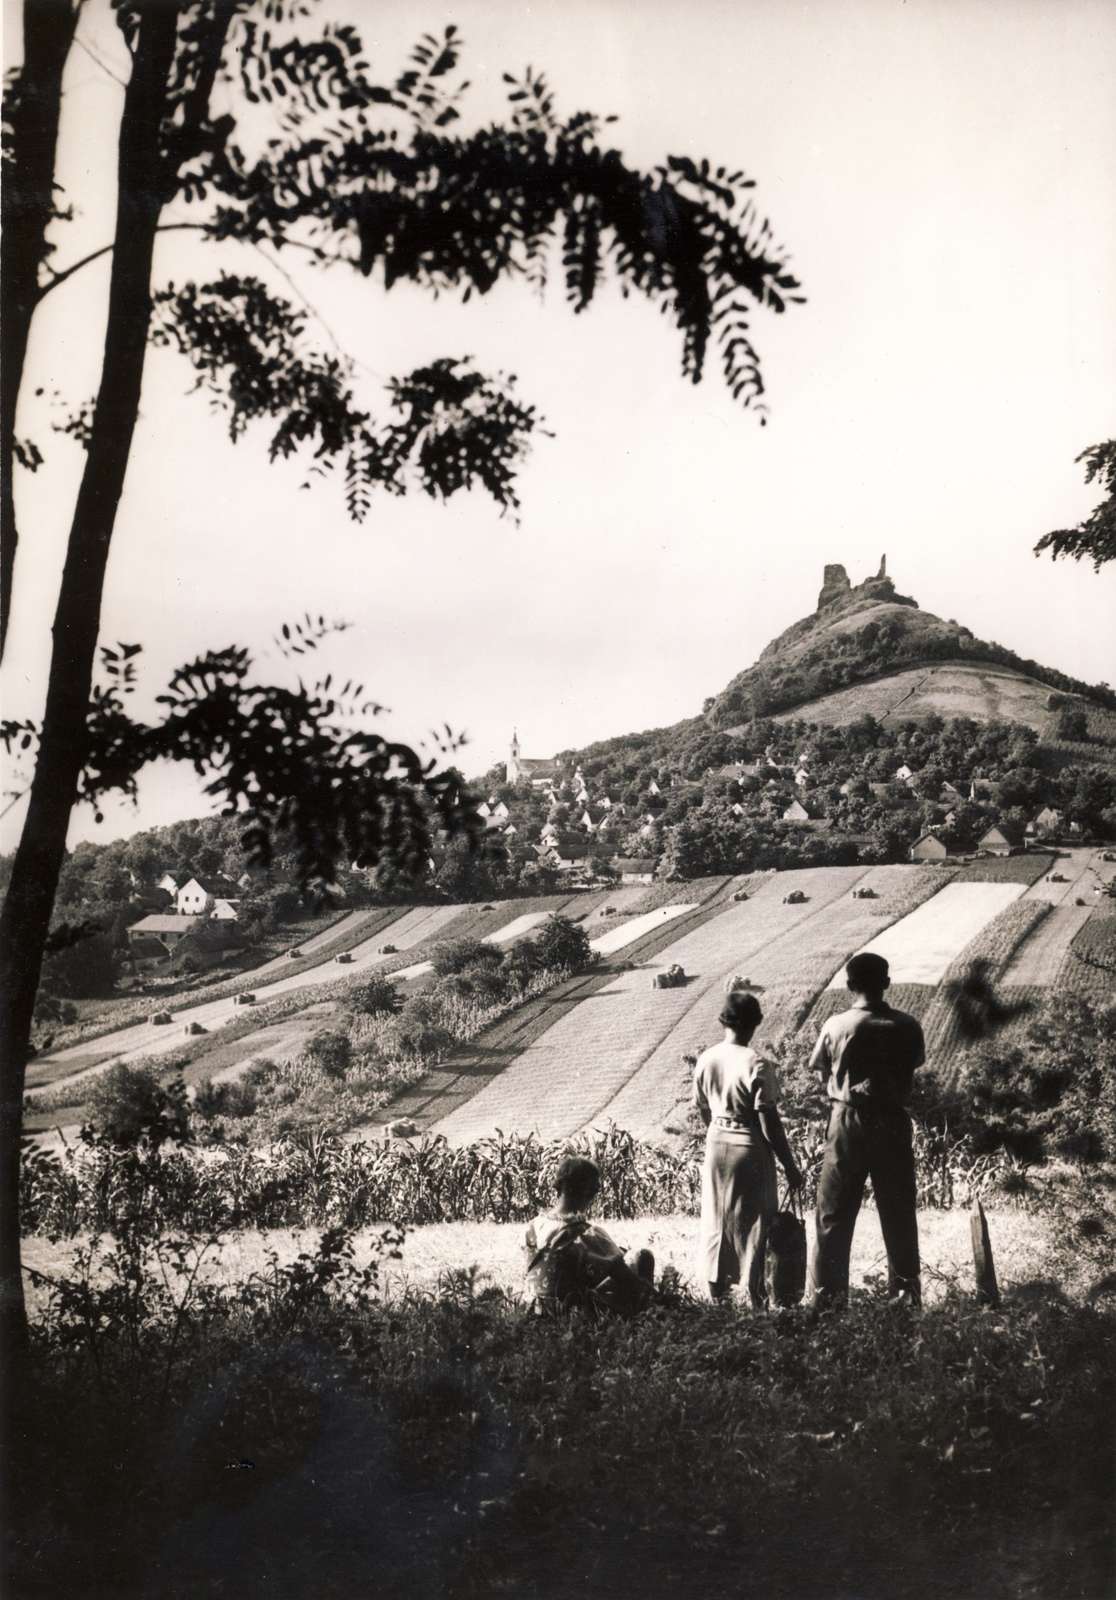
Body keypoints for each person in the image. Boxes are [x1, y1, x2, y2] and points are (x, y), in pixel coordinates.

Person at [807, 951, 926, 1309]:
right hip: (892, 1121)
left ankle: (827, 1301)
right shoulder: (908, 1025)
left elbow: (819, 1069)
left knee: (833, 1214)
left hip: (848, 1120)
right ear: (887, 984)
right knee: (899, 1211)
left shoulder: (837, 1025)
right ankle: (905, 1299)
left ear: (848, 985)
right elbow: (914, 1063)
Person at [692, 990, 803, 1304]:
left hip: (716, 1144)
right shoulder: (757, 1064)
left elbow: (703, 1110)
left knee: (716, 1218)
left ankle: (717, 1293)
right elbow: (770, 1124)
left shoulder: (707, 1059)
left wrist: (719, 1131)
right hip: (749, 1147)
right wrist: (791, 1167)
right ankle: (758, 1299)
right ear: (755, 1023)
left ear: (724, 1020)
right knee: (757, 1223)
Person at [523, 1156, 655, 1315]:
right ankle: (650, 1313)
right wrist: (661, 1297)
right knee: (641, 1256)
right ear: (590, 1192)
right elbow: (627, 1280)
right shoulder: (585, 1233)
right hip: (570, 1314)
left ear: (559, 1188)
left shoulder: (532, 1226)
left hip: (534, 1310)